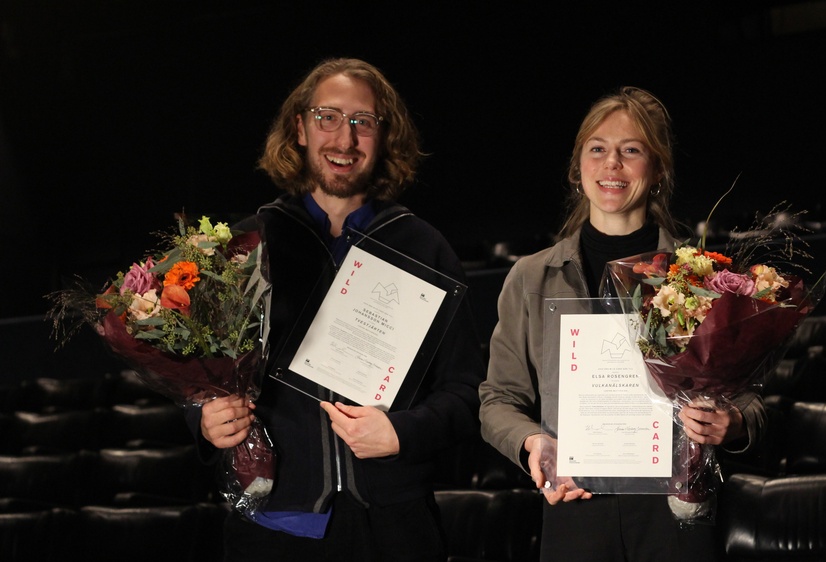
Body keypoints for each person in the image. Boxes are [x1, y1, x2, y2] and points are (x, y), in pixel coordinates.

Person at [195, 57, 485, 561]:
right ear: (299, 128)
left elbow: (466, 392)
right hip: (274, 521)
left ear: (384, 135)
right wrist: (204, 417)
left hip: (395, 525)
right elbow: (202, 373)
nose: (344, 140)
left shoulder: (422, 246)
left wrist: (403, 431)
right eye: (328, 117)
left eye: (362, 123)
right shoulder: (249, 245)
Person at [478, 86, 766, 561]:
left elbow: (752, 400)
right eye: (598, 150)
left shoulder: (703, 275)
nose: (612, 165)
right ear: (578, 169)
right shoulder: (531, 277)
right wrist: (532, 442)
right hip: (574, 505)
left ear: (657, 171)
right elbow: (497, 399)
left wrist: (731, 423)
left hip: (675, 511)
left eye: (630, 151)